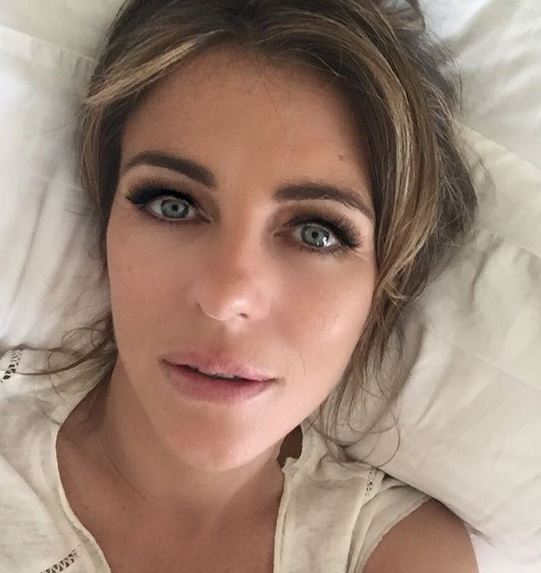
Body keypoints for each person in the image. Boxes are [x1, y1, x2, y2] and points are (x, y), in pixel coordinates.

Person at [0, 0, 480, 571]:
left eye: (316, 233)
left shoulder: (398, 552)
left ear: (384, 288)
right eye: (173, 205)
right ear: (105, 226)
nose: (227, 297)